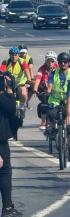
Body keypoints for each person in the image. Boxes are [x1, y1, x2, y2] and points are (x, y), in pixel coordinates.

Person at [0, 72, 22, 217]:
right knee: (4, 172)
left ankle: (8, 206)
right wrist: (8, 92)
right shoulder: (2, 99)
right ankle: (7, 208)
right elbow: (12, 108)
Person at [46, 52, 70, 139]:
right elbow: (50, 85)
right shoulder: (53, 73)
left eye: (65, 62)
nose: (63, 64)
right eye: (61, 62)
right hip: (55, 100)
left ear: (69, 63)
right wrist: (48, 91)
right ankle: (53, 129)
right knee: (51, 114)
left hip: (68, 101)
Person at [33, 51, 58, 130]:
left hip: (56, 91)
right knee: (44, 104)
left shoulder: (58, 68)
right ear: (45, 61)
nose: (50, 63)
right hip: (44, 91)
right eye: (48, 61)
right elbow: (38, 79)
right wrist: (35, 89)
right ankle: (43, 121)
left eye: (52, 61)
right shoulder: (42, 69)